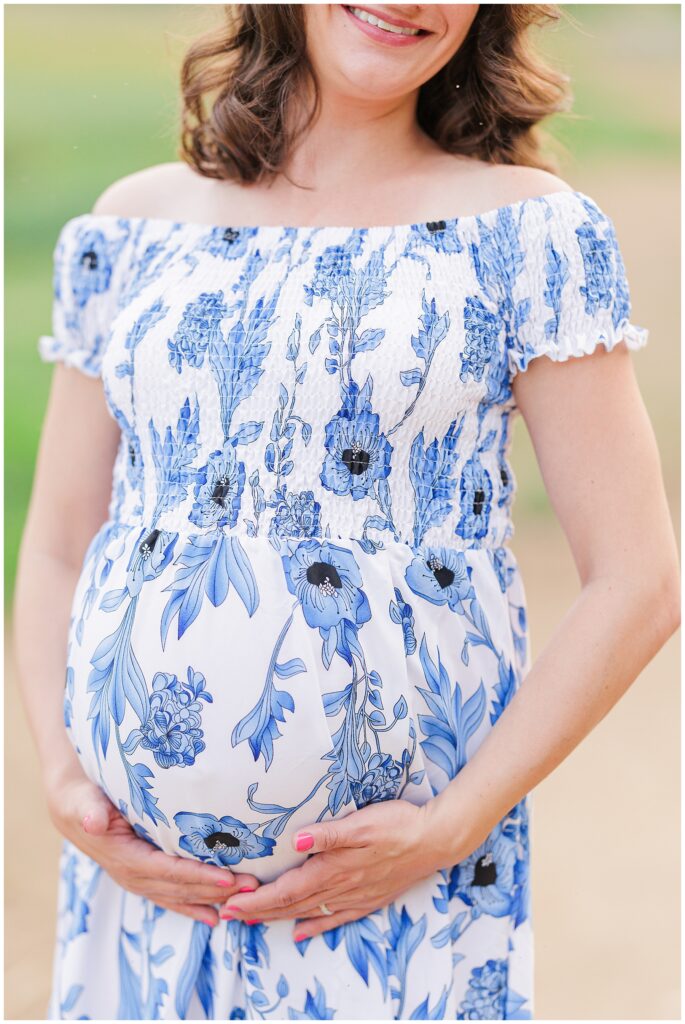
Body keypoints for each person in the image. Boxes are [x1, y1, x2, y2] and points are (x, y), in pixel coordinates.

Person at [13, 4, 680, 1020]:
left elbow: (639, 579)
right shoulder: (130, 227)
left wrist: (452, 826)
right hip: (143, 910)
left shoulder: (525, 236)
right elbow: (60, 542)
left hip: (392, 905)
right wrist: (66, 785)